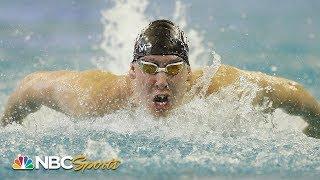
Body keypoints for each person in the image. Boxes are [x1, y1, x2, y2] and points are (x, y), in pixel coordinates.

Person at [1, 19, 320, 138]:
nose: (162, 81)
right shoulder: (94, 97)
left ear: (190, 73)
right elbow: (31, 87)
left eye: (173, 68)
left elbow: (296, 94)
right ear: (132, 71)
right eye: (151, 68)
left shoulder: (219, 89)